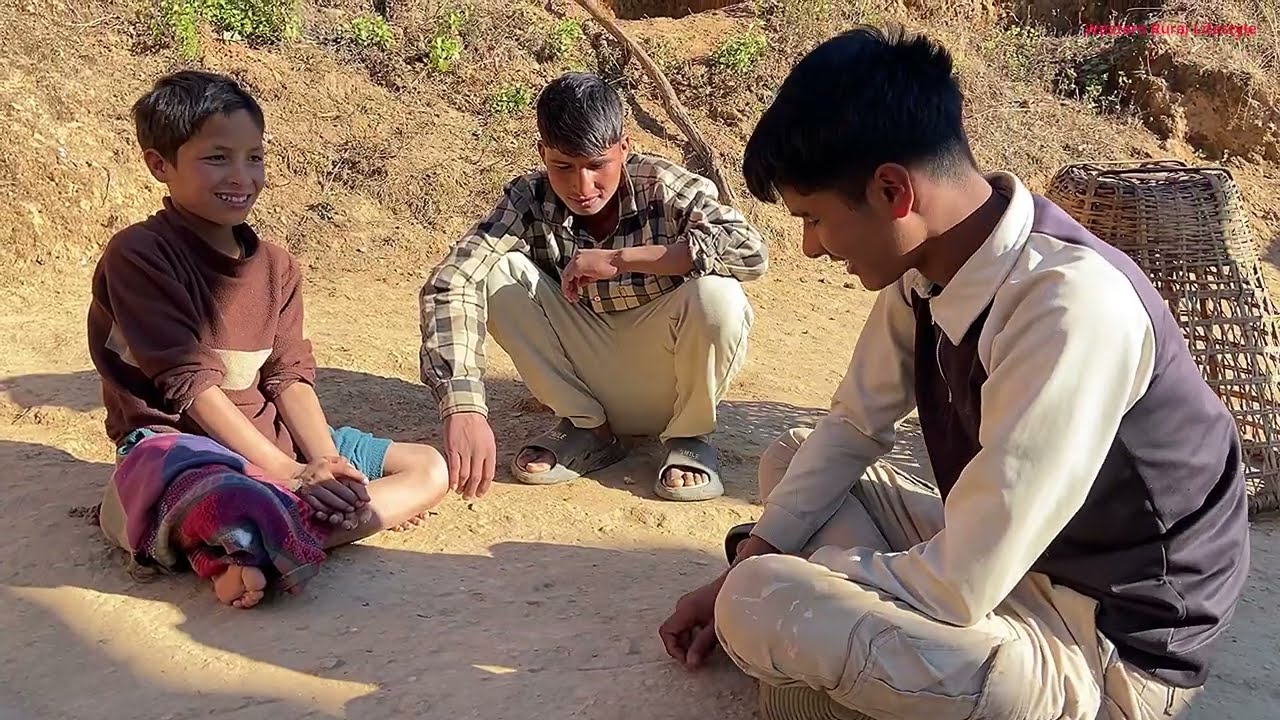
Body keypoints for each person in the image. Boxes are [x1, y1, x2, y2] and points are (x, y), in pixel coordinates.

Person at [659, 24, 1249, 720]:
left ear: (892, 191)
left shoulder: (1069, 307)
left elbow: (961, 584)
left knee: (761, 604)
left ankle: (832, 678)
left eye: (815, 219)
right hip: (1015, 569)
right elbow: (853, 426)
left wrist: (769, 583)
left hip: (1102, 654)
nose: (811, 248)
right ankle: (837, 672)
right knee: (794, 465)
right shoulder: (927, 273)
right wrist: (752, 558)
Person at [87, 70, 449, 608]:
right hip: (180, 445)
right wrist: (289, 473)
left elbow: (288, 377)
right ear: (160, 165)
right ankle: (271, 525)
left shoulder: (278, 266)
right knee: (223, 493)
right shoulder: (139, 256)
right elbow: (193, 387)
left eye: (254, 157)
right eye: (217, 158)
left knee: (428, 468)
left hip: (274, 441)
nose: (242, 176)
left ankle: (265, 538)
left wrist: (327, 464)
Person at [420, 72, 767, 503]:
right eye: (563, 166)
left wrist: (620, 260)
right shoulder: (529, 198)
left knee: (719, 296)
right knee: (495, 273)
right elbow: (451, 282)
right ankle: (588, 429)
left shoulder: (664, 185)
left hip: (670, 382)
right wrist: (463, 407)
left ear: (624, 147)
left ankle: (688, 438)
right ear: (542, 152)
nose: (582, 187)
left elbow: (751, 252)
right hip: (588, 378)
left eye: (597, 165)